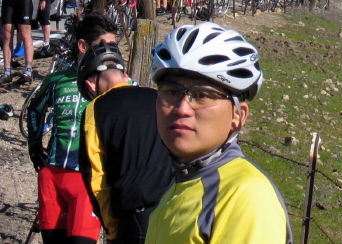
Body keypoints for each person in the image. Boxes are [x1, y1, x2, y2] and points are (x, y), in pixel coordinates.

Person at [145, 22, 292, 244]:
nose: (182, 108)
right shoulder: (183, 181)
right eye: (171, 92)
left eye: (202, 95)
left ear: (238, 116)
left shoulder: (245, 196)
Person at [26, 14, 118, 244]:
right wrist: (34, 144)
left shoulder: (118, 84)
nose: (111, 52)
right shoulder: (57, 80)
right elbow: (35, 109)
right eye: (104, 46)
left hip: (89, 180)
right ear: (83, 46)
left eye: (113, 47)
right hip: (53, 174)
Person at [77, 40, 172, 244]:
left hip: (136, 214)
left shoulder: (95, 109)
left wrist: (111, 231)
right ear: (126, 77)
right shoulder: (158, 98)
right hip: (176, 204)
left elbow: (96, 178)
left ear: (91, 84)